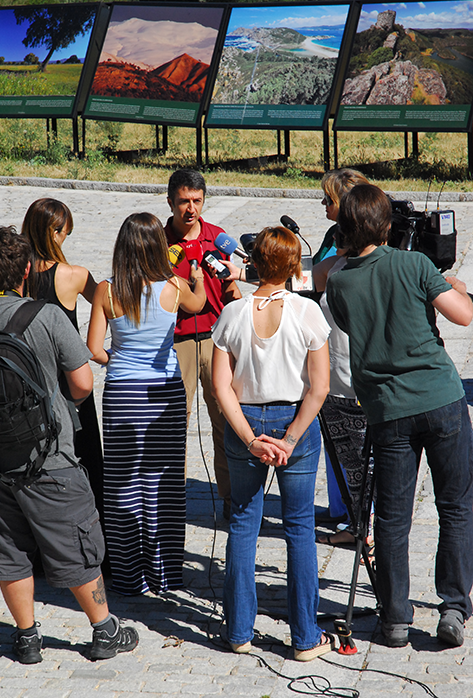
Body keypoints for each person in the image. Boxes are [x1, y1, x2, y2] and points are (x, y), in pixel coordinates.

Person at [0, 227, 138, 663]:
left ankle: (27, 637)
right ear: (26, 270)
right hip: (48, 457)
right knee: (75, 541)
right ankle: (104, 630)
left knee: (7, 547)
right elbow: (83, 384)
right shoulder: (45, 316)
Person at [326, 184, 473, 648]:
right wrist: (456, 289)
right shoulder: (415, 264)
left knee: (391, 518)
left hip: (387, 410)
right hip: (440, 398)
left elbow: (356, 326)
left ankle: (393, 617)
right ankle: (452, 606)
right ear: (386, 224)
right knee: (455, 505)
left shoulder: (339, 281)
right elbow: (463, 316)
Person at [211, 226, 332, 661]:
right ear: (295, 266)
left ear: (254, 264)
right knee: (299, 526)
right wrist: (289, 439)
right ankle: (304, 636)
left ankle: (239, 631)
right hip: (293, 421)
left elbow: (220, 386)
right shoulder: (306, 313)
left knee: (244, 522)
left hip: (248, 421)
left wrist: (249, 439)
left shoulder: (233, 313)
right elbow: (319, 388)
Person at [87, 212, 206, 595]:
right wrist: (198, 280)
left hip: (122, 396)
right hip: (164, 394)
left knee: (122, 484)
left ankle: (127, 575)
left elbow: (92, 348)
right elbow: (199, 305)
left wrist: (117, 360)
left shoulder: (106, 290)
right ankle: (165, 572)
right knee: (164, 483)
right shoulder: (173, 284)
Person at [164, 169, 242, 520]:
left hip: (216, 339)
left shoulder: (218, 239)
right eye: (184, 201)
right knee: (174, 425)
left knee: (225, 420)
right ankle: (171, 502)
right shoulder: (158, 241)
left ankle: (231, 498)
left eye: (197, 201)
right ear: (170, 202)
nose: (190, 209)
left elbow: (232, 292)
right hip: (175, 342)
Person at [21, 198, 104, 523]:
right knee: (85, 460)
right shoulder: (74, 275)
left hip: (30, 377)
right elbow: (109, 302)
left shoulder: (21, 275)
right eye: (65, 233)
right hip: (70, 380)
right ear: (55, 233)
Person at [312, 169, 372, 542]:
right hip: (347, 367)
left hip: (349, 371)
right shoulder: (336, 243)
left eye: (329, 200)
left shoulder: (344, 264)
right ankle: (355, 517)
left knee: (355, 453)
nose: (323, 205)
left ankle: (360, 524)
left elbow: (317, 278)